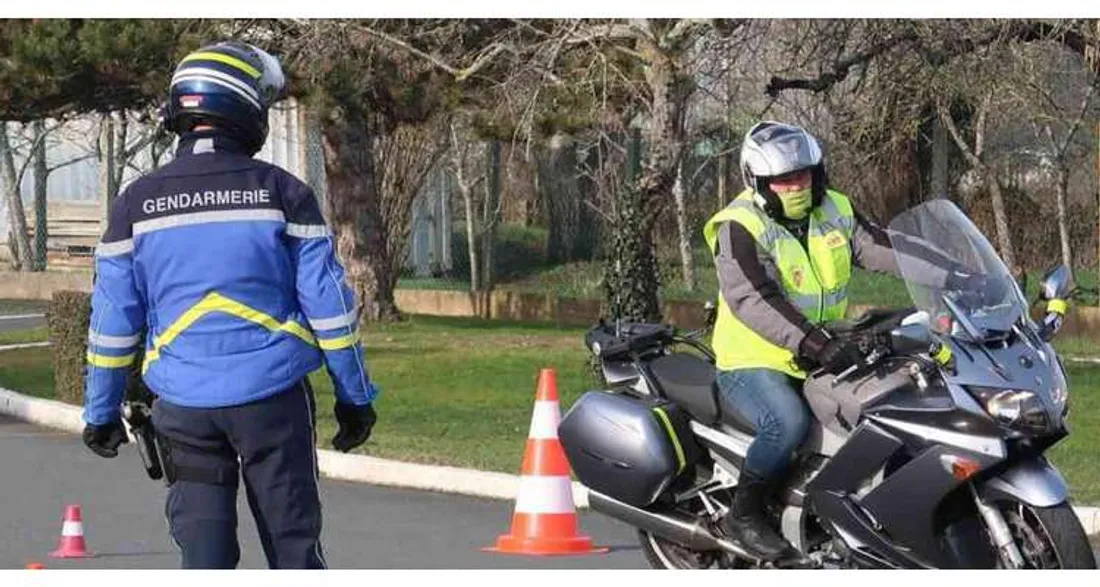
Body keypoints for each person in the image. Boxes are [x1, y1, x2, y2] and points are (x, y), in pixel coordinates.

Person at [80, 41, 380, 569]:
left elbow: (112, 324)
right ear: (246, 109)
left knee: (205, 553)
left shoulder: (135, 203)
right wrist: (354, 398)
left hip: (182, 405)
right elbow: (331, 311)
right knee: (293, 548)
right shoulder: (283, 192)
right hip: (273, 402)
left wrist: (101, 411)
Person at [703, 121, 987, 560]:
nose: (797, 185)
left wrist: (959, 274)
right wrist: (816, 345)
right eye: (784, 179)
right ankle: (745, 515)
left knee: (893, 408)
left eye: (805, 174)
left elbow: (887, 248)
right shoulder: (739, 226)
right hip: (755, 358)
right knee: (787, 424)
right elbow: (755, 300)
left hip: (822, 351)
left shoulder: (833, 209)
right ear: (757, 182)